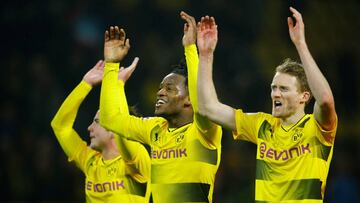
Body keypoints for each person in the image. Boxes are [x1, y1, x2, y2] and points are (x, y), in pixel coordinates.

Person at [196, 7, 337, 202]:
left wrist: (300, 44)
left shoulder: (316, 129)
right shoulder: (262, 126)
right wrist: (205, 55)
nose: (275, 94)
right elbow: (207, 108)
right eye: (273, 87)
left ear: (304, 96)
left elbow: (326, 100)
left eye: (284, 89)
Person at [99, 12, 222, 203]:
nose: (160, 93)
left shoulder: (206, 132)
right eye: (160, 88)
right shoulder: (156, 129)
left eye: (170, 89)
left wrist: (190, 48)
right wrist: (111, 65)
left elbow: (204, 106)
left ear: (188, 99)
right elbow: (110, 119)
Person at [50, 58, 151, 202]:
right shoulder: (90, 161)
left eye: (97, 122)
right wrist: (85, 84)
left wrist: (117, 86)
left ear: (112, 128)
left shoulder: (136, 160)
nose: (89, 127)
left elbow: (123, 132)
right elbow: (60, 126)